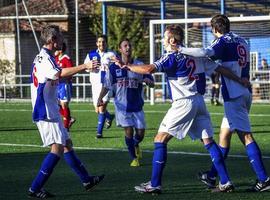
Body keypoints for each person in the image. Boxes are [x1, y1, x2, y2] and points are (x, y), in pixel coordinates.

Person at [113, 25, 251, 194]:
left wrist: (126, 66)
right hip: (199, 101)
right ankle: (225, 181)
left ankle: (154, 184)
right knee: (208, 141)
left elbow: (149, 69)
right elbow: (220, 68)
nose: (163, 41)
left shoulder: (171, 55)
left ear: (172, 40)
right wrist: (239, 78)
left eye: (164, 38)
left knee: (160, 139)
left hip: (183, 103)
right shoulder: (196, 55)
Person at [179, 14, 270, 192]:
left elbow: (205, 52)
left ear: (215, 29)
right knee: (224, 135)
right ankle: (212, 176)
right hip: (244, 91)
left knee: (246, 136)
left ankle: (264, 179)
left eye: (212, 31)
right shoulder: (242, 40)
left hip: (234, 95)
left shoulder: (223, 41)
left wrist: (181, 48)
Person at [28, 25, 104, 198]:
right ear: (53, 40)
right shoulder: (44, 59)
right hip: (45, 110)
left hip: (51, 108)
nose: (63, 40)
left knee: (67, 145)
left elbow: (60, 75)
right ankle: (35, 188)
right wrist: (84, 65)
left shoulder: (48, 57)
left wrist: (83, 69)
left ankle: (87, 180)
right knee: (57, 148)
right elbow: (57, 74)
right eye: (61, 37)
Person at [97, 39, 154, 167]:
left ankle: (135, 144)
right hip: (121, 106)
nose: (128, 48)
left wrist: (150, 82)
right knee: (128, 131)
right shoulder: (113, 68)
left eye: (129, 45)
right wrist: (100, 97)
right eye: (125, 46)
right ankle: (134, 158)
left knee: (140, 133)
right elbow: (106, 85)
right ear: (120, 49)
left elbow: (151, 81)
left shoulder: (139, 65)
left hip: (137, 105)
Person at [84, 35, 115, 139]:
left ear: (106, 43)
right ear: (97, 43)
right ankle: (110, 117)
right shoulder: (91, 54)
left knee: (101, 108)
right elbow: (85, 67)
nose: (101, 44)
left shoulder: (111, 54)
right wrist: (90, 67)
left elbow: (117, 66)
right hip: (95, 84)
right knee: (97, 110)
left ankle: (99, 133)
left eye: (103, 42)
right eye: (99, 42)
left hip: (106, 84)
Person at [55, 42, 76, 131]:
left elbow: (71, 71)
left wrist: (64, 76)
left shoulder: (66, 59)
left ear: (60, 50)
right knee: (56, 104)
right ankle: (69, 118)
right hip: (57, 85)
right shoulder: (55, 59)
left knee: (64, 104)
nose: (54, 51)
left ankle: (66, 127)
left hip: (64, 85)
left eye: (56, 49)